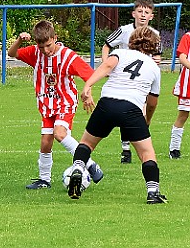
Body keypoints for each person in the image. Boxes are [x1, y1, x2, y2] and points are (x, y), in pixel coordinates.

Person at [68, 26, 167, 204]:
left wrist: (87, 86)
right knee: (147, 153)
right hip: (131, 108)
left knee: (86, 143)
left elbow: (107, 66)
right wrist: (147, 121)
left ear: (132, 40)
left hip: (107, 103)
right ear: (153, 46)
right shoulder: (154, 68)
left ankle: (77, 168)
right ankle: (153, 192)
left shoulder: (120, 53)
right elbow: (152, 102)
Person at [8, 20, 104, 189]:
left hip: (65, 101)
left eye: (49, 45)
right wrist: (19, 41)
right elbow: (12, 53)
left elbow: (90, 75)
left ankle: (89, 164)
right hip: (46, 103)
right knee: (46, 142)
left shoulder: (68, 56)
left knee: (59, 134)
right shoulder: (35, 53)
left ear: (55, 38)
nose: (45, 50)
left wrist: (87, 92)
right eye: (41, 46)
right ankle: (44, 180)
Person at [101, 0, 161, 164]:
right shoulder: (124, 30)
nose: (143, 15)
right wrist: (107, 63)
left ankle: (131, 148)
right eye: (140, 11)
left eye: (146, 12)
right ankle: (126, 149)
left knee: (136, 112)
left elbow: (158, 55)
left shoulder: (155, 34)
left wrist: (156, 60)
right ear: (133, 13)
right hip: (123, 80)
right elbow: (107, 45)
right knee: (129, 110)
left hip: (142, 80)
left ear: (151, 16)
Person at [169, 31, 190, 159]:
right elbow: (182, 57)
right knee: (183, 115)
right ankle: (174, 149)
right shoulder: (188, 37)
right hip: (188, 84)